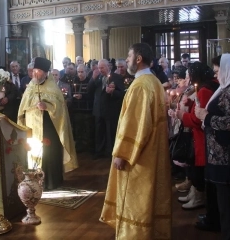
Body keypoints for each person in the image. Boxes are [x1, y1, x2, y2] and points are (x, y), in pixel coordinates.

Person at [100, 43, 171, 239]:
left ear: (138, 59)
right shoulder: (155, 82)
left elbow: (136, 125)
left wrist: (122, 154)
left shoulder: (140, 86)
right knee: (150, 198)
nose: (127, 60)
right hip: (153, 152)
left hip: (139, 157)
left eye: (129, 57)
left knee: (136, 201)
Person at [195, 54, 230, 239]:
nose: (216, 76)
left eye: (218, 72)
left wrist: (206, 117)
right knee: (227, 208)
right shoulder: (229, 88)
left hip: (229, 159)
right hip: (222, 158)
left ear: (228, 69)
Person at [18, 57, 78, 190]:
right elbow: (23, 105)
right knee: (34, 151)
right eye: (34, 70)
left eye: (38, 71)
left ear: (45, 73)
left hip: (49, 126)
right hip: (32, 126)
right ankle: (35, 179)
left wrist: (47, 106)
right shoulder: (31, 86)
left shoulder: (53, 88)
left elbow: (60, 107)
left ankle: (51, 181)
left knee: (49, 152)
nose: (35, 73)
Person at [169, 62, 219, 211]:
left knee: (198, 168)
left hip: (200, 135)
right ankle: (195, 193)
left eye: (188, 75)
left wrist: (181, 114)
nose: (187, 78)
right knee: (195, 168)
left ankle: (199, 196)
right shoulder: (206, 87)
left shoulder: (204, 90)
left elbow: (198, 119)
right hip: (200, 134)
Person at [88, 59, 125, 159]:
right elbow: (89, 90)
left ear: (108, 67)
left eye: (102, 67)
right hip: (98, 110)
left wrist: (113, 92)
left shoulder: (116, 77)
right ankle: (99, 152)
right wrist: (92, 79)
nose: (100, 70)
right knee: (99, 132)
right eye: (99, 68)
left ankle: (111, 153)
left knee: (111, 132)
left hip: (111, 110)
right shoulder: (97, 77)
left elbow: (122, 93)